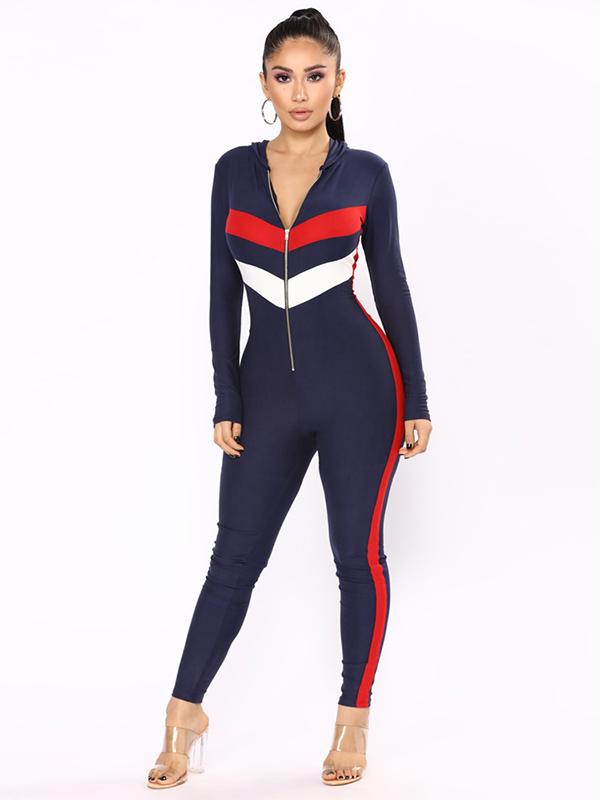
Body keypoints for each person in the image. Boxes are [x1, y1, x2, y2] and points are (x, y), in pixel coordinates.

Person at [146, 7, 433, 790]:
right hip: (265, 396)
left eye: (314, 76)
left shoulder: (365, 173)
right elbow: (221, 292)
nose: (299, 92)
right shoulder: (233, 171)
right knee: (233, 559)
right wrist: (225, 396)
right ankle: (182, 718)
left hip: (361, 393)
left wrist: (416, 398)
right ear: (264, 84)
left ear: (339, 83)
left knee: (356, 557)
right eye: (284, 76)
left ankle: (351, 721)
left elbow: (393, 288)